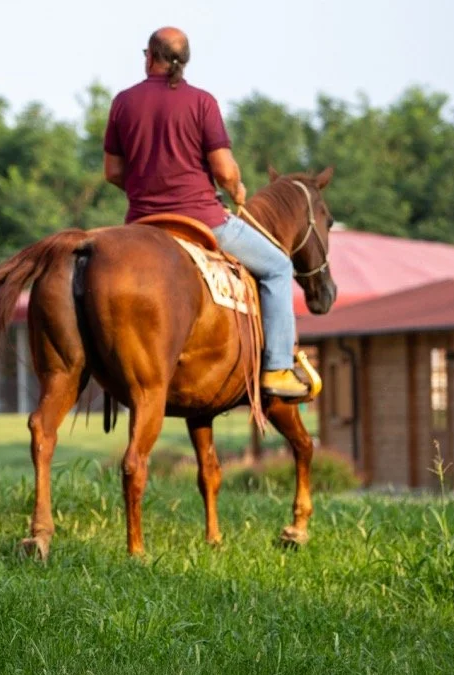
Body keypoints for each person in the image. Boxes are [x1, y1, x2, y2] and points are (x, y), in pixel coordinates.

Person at [102, 27, 310, 399]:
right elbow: (226, 170)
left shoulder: (123, 102)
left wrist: (142, 191)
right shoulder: (202, 102)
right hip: (203, 220)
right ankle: (278, 368)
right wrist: (237, 190)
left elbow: (113, 172)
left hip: (142, 223)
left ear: (149, 56)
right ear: (185, 60)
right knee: (279, 266)